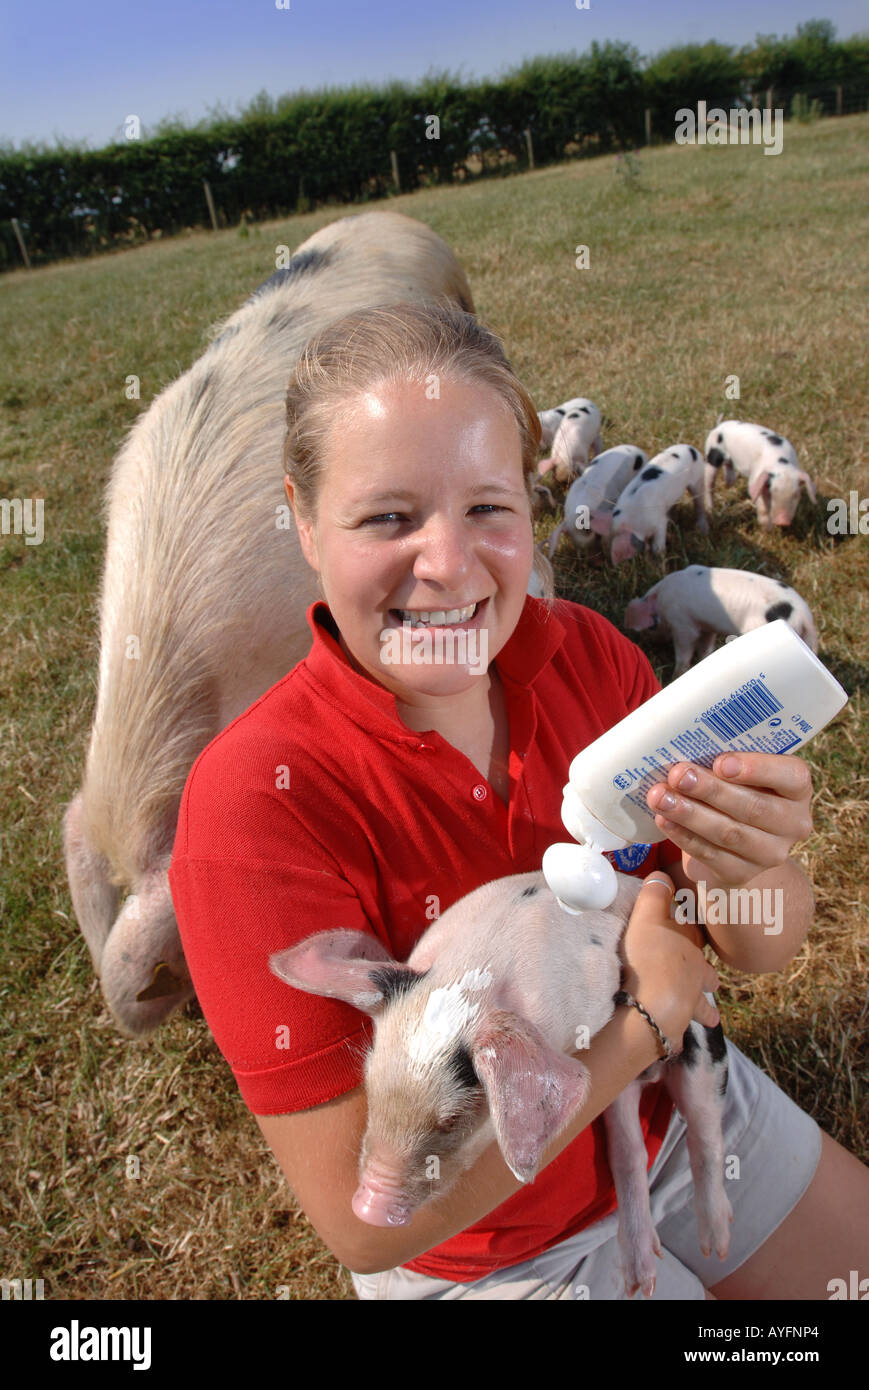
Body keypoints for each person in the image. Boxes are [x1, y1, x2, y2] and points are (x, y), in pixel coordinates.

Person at [168, 299, 868, 1301]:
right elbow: (366, 1226)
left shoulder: (585, 656)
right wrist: (646, 1021)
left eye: (487, 508)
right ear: (301, 518)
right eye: (387, 516)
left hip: (676, 1126)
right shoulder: (252, 807)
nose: (449, 566)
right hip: (489, 1248)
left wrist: (745, 861)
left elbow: (759, 947)